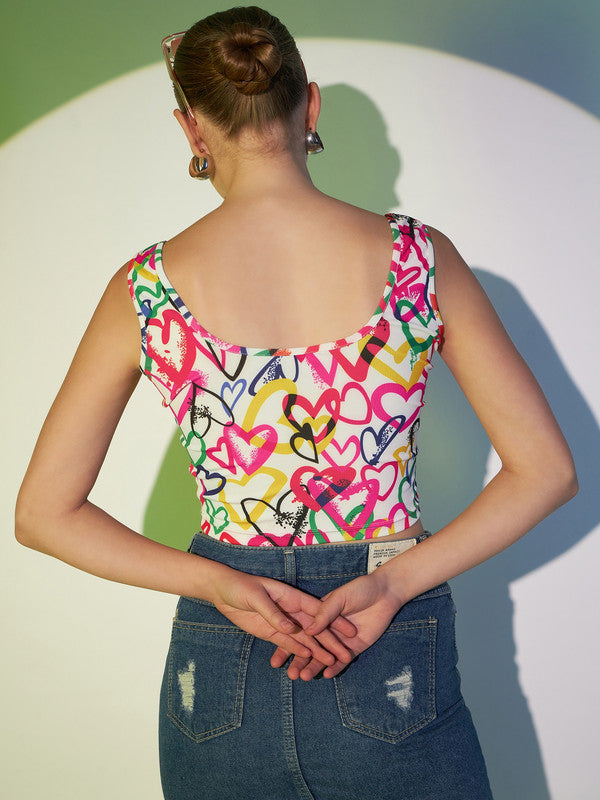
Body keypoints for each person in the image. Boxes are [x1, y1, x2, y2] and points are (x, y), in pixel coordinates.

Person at [15, 6, 577, 800]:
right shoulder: (418, 259)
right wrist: (392, 583)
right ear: (309, 105)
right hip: (382, 631)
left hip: (226, 648)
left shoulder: (143, 289)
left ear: (191, 127)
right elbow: (547, 471)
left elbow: (43, 515)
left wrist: (215, 582)